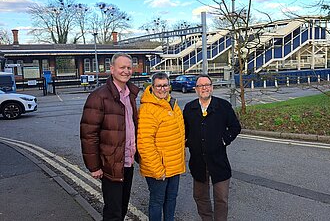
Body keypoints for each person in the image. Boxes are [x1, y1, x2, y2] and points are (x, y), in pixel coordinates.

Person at [80, 52, 140, 221]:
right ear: (112, 69)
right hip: (110, 163)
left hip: (127, 161)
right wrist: (94, 166)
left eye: (129, 67)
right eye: (122, 67)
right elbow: (88, 134)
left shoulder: (131, 95)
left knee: (122, 207)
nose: (126, 71)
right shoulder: (99, 96)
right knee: (113, 212)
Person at [183, 74, 241, 221]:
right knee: (200, 197)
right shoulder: (190, 108)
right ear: (196, 89)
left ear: (212, 87)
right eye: (201, 86)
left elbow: (235, 127)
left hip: (219, 160)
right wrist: (190, 142)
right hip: (198, 162)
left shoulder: (223, 106)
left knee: (221, 198)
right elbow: (184, 131)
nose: (204, 88)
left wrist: (224, 140)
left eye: (207, 85)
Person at [137, 72, 186, 221]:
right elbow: (145, 143)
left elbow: (180, 134)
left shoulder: (173, 104)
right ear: (152, 87)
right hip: (159, 167)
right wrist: (157, 169)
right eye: (158, 86)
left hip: (174, 165)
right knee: (157, 201)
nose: (162, 89)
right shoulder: (148, 109)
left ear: (169, 86)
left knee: (171, 199)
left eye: (165, 85)